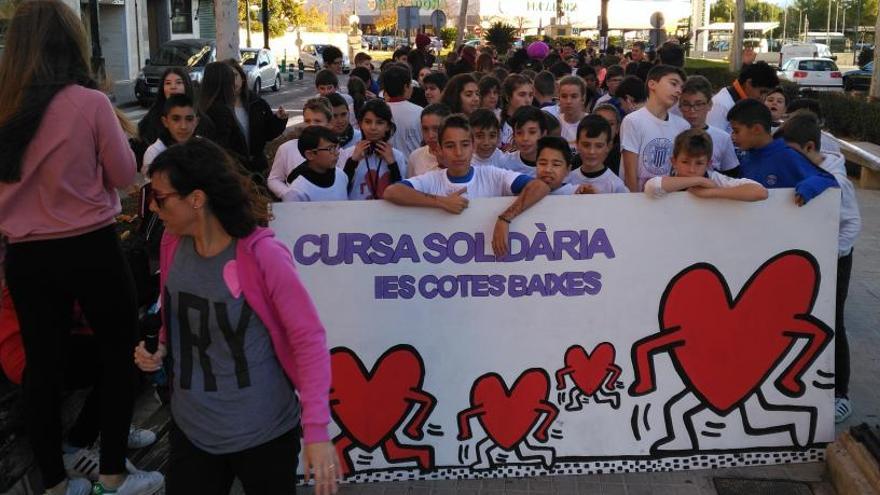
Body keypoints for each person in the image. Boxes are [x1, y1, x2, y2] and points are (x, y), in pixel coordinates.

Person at [0, 2, 164, 494]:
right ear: (71, 43)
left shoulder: (4, 105)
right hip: (90, 246)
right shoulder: (88, 103)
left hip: (26, 256)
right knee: (118, 353)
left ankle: (53, 483)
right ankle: (111, 474)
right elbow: (123, 175)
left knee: (42, 368)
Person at [135, 139, 338, 494]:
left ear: (196, 199)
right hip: (192, 429)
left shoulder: (262, 255)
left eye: (161, 197)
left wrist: (317, 430)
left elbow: (308, 339)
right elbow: (174, 311)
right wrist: (160, 346)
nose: (152, 206)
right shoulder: (171, 242)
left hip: (265, 433)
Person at [776, 112, 861, 423]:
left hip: (836, 259)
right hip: (805, 262)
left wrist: (830, 254)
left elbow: (851, 224)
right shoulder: (804, 170)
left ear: (810, 147)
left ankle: (841, 393)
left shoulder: (837, 181)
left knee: (832, 322)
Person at [382, 114, 551, 257]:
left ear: (473, 147)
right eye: (450, 146)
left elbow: (540, 187)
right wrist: (440, 202)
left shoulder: (492, 174)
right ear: (439, 149)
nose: (458, 153)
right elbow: (392, 192)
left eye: (464, 145)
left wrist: (505, 218)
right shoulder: (432, 179)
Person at [726, 99, 837, 205]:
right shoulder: (742, 155)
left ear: (757, 129)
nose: (733, 136)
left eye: (736, 131)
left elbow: (828, 180)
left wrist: (810, 186)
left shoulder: (787, 156)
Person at [643, 129, 767, 201]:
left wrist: (712, 192)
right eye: (685, 162)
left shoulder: (715, 179)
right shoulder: (669, 178)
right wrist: (699, 180)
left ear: (709, 164)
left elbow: (760, 192)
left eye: (699, 163)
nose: (691, 169)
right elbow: (650, 187)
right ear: (674, 161)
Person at [620, 65, 691, 192]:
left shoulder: (682, 126)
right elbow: (630, 172)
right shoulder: (633, 121)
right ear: (652, 84)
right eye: (673, 84)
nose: (679, 91)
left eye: (681, 88)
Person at [224, 59, 289, 176]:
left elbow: (268, 133)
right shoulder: (218, 108)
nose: (232, 81)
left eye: (234, 75)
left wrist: (279, 119)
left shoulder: (257, 102)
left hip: (257, 168)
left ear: (242, 78)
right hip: (230, 170)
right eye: (226, 77)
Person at [339, 99, 408, 200]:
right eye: (367, 122)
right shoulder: (347, 154)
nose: (373, 127)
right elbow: (340, 188)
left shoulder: (397, 156)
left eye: (379, 122)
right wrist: (353, 161)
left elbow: (401, 192)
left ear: (388, 127)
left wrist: (392, 164)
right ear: (360, 124)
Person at [268, 97, 333, 199]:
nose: (311, 125)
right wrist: (288, 193)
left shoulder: (336, 151)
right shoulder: (287, 149)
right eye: (307, 121)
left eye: (318, 121)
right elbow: (274, 179)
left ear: (329, 124)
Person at [679, 76, 740, 174]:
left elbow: (731, 174)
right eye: (686, 104)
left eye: (698, 104)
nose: (692, 110)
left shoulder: (723, 138)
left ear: (710, 105)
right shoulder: (671, 132)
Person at [198, 62, 250, 165]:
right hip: (227, 172)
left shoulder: (202, 106)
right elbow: (223, 149)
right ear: (226, 82)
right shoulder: (221, 111)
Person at [137, 67, 196, 156]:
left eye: (178, 82)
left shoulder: (197, 113)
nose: (173, 87)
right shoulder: (153, 115)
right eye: (168, 83)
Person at [706, 61, 779, 132]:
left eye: (767, 94)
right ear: (748, 83)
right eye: (762, 92)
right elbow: (713, 140)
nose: (763, 98)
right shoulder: (721, 105)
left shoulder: (742, 101)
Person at [282, 126, 349, 202]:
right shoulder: (298, 191)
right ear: (310, 155)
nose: (337, 152)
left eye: (336, 147)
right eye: (330, 148)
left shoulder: (341, 175)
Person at [567, 115, 629, 193]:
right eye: (586, 145)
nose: (591, 151)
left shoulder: (616, 185)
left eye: (599, 146)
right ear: (577, 144)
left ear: (608, 147)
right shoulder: (567, 180)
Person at [142, 95, 200, 173]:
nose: (183, 126)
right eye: (176, 119)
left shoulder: (204, 148)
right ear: (165, 122)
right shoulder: (155, 153)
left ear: (196, 122)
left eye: (189, 119)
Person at [380, 63, 423, 158]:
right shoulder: (419, 112)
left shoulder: (379, 111)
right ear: (405, 87)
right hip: (411, 164)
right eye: (410, 84)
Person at [408, 104, 451, 178]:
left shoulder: (462, 156)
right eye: (425, 129)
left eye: (436, 129)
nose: (430, 135)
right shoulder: (415, 156)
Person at [499, 74, 535, 150]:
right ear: (508, 97)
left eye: (531, 95)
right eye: (522, 95)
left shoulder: (537, 123)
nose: (528, 100)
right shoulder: (497, 122)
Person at [555, 76, 588, 151]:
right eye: (564, 96)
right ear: (559, 98)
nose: (568, 101)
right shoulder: (554, 124)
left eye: (574, 96)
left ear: (582, 99)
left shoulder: (591, 123)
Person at [591, 104, 623, 175]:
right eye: (600, 122)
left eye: (611, 124)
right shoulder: (582, 158)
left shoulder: (624, 156)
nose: (606, 127)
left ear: (617, 128)